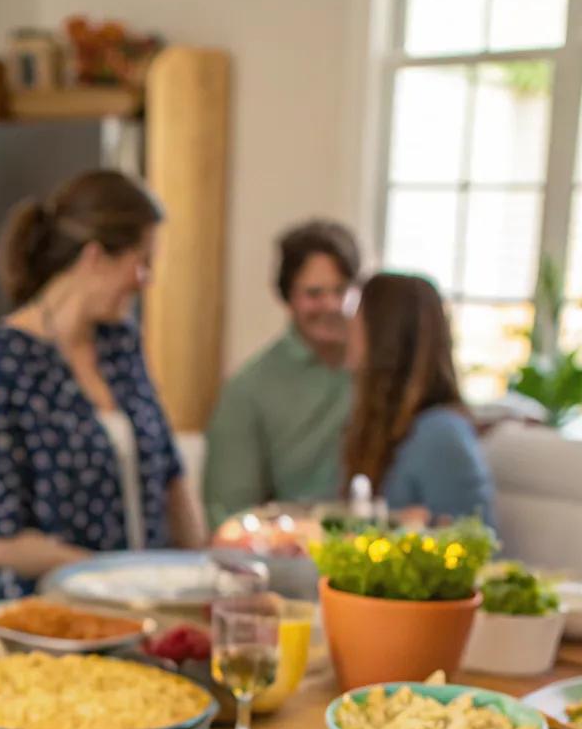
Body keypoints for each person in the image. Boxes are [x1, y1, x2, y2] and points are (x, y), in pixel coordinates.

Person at [0, 169, 207, 597]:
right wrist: (105, 575)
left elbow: (170, 475)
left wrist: (206, 573)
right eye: (142, 261)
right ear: (95, 258)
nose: (146, 280)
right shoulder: (4, 365)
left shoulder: (121, 343)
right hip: (58, 613)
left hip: (151, 603)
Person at [203, 218, 360, 526]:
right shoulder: (247, 391)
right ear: (288, 297)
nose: (331, 306)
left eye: (341, 291)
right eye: (314, 294)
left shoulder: (379, 372)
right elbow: (229, 515)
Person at [344, 272, 496, 527]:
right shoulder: (382, 428)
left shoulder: (441, 435)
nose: (348, 332)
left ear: (384, 335)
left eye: (358, 319)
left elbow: (474, 547)